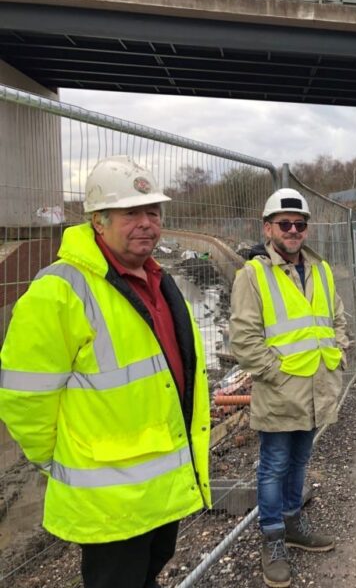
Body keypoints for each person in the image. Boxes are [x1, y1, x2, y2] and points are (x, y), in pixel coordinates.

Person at [0, 155, 211, 588]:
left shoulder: (161, 280)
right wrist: (58, 460)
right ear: (98, 221)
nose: (146, 223)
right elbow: (25, 398)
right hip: (109, 497)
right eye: (131, 212)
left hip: (162, 483)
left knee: (152, 569)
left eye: (152, 211)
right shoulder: (57, 291)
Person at [230, 187, 349, 588]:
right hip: (281, 393)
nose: (294, 230)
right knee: (274, 466)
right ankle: (273, 538)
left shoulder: (322, 270)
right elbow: (244, 340)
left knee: (299, 461)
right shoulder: (253, 276)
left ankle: (294, 523)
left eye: (300, 224)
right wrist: (277, 376)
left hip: (317, 389)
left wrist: (340, 351)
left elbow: (338, 319)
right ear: (268, 228)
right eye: (285, 224)